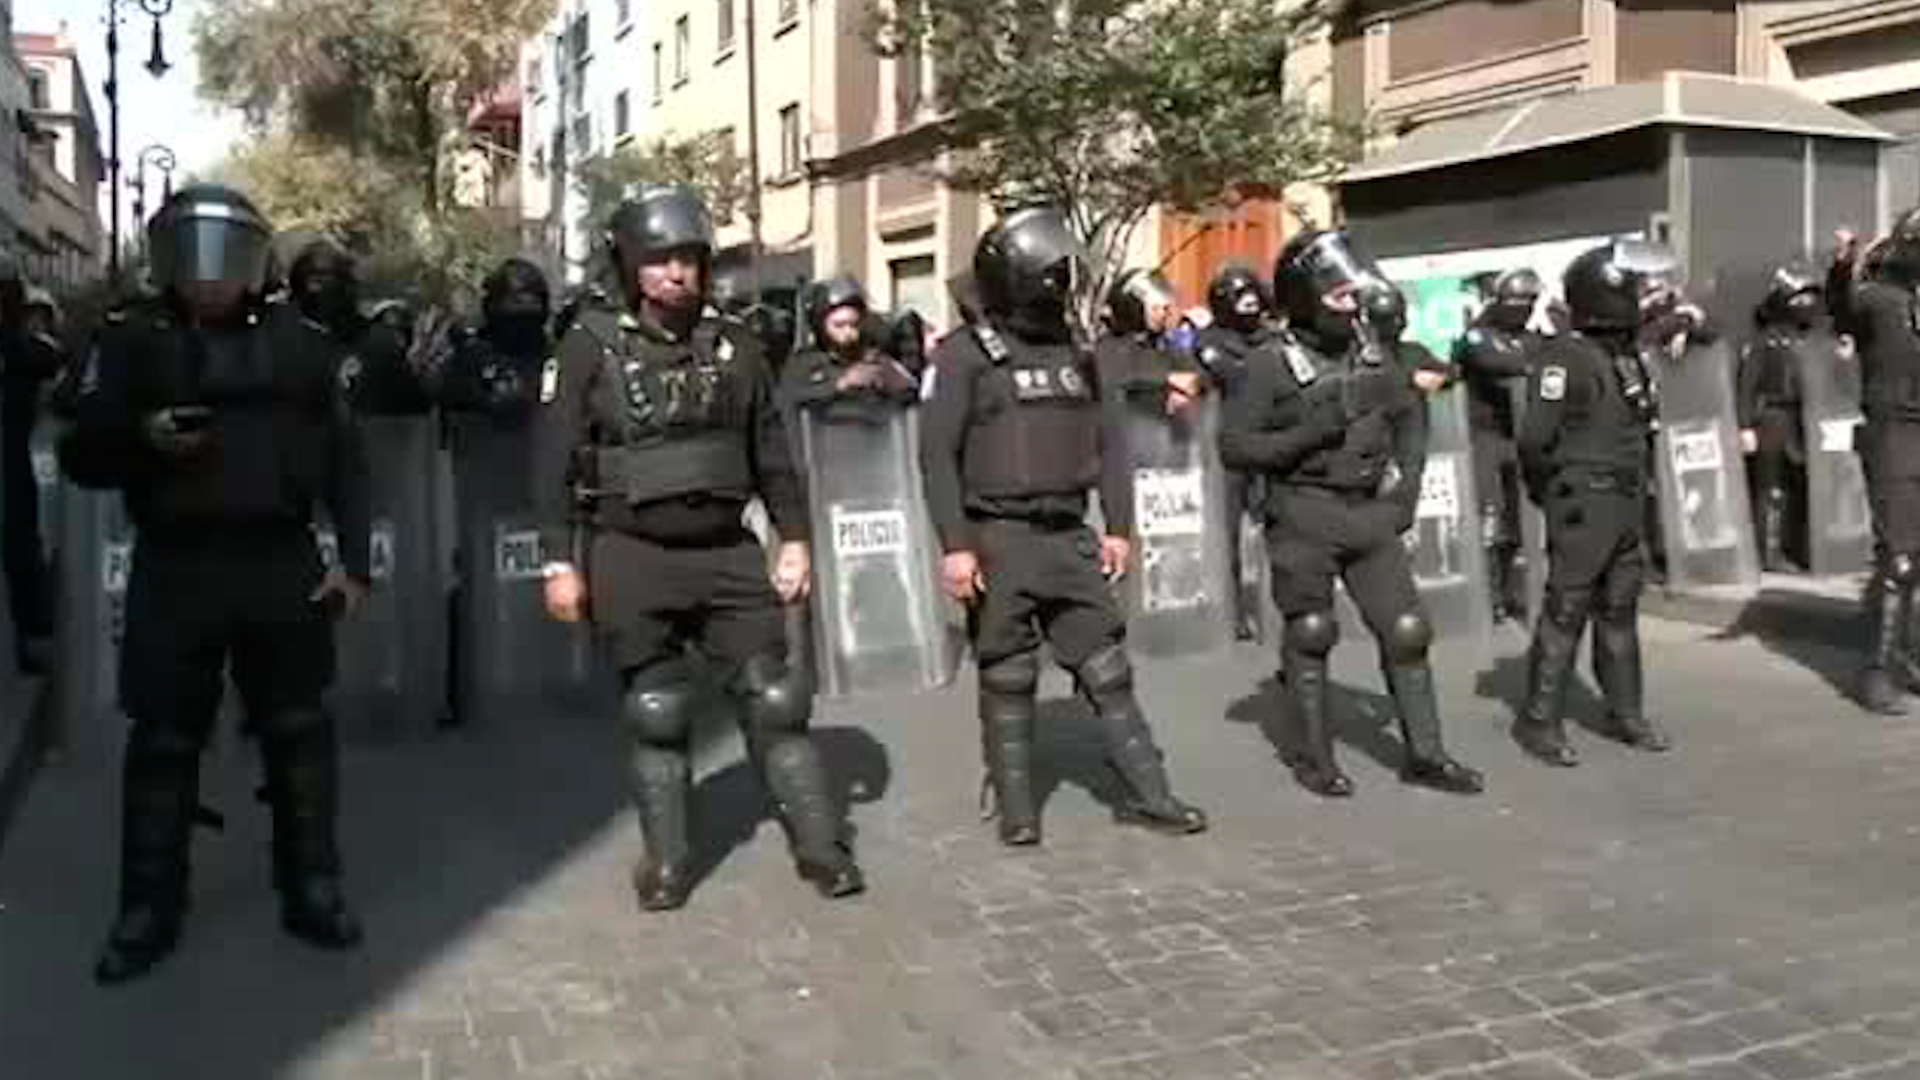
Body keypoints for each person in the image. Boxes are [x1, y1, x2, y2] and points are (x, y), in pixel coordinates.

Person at [58, 184, 371, 984]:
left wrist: (355, 559)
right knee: (162, 741)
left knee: (299, 731)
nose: (208, 275)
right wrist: (140, 437)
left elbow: (345, 459)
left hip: (279, 561)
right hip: (178, 564)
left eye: (224, 256)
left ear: (254, 261)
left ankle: (313, 888)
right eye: (191, 255)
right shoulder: (130, 343)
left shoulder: (300, 342)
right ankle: (148, 909)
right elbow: (80, 455)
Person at [532, 186, 863, 912]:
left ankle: (820, 845)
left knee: (776, 698)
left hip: (727, 552)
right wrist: (558, 562)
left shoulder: (738, 345)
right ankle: (670, 860)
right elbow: (551, 462)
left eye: (688, 259)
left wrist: (796, 537)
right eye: (659, 261)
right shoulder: (588, 346)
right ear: (629, 266)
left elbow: (771, 450)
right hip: (630, 551)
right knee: (657, 710)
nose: (678, 273)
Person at [920, 207, 1208, 847]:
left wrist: (1120, 529)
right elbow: (936, 454)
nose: (1060, 285)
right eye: (1050, 274)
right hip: (998, 537)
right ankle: (1019, 809)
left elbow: (1110, 443)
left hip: (1069, 535)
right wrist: (955, 547)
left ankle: (1151, 796)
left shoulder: (1080, 353)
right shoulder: (964, 355)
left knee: (1106, 668)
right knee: (1009, 672)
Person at [1221, 229, 1483, 799]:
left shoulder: (1373, 351)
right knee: (1312, 631)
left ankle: (1426, 754)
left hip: (1368, 510)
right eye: (1338, 296)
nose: (1352, 305)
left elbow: (1410, 416)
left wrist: (1407, 489)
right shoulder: (1267, 365)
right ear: (1305, 296)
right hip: (1302, 511)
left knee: (1408, 630)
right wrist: (1307, 434)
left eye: (1353, 295)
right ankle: (1314, 758)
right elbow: (1236, 448)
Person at [1513, 239, 1685, 766]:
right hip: (1585, 499)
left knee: (1619, 609)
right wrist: (1555, 492)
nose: (1645, 296)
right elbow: (1534, 440)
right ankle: (1540, 720)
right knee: (1567, 609)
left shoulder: (1624, 352)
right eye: (1635, 288)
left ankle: (1625, 712)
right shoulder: (1564, 356)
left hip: (1627, 497)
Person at [1831, 210, 1920, 714]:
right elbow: (1841, 307)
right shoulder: (1876, 298)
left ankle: (1908, 659)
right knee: (1900, 555)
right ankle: (1877, 671)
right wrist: (1844, 264)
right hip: (1893, 433)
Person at [1454, 269, 1547, 621]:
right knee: (1490, 519)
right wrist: (1530, 368)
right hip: (1485, 438)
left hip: (1522, 437)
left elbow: (1553, 366)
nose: (1520, 311)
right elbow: (1494, 363)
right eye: (1513, 304)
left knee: (1520, 521)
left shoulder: (1534, 340)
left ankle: (1512, 590)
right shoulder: (1479, 337)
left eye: (1527, 304)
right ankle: (1488, 595)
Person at [1194, 265, 1277, 641]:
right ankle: (1232, 613)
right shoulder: (1208, 341)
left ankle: (1274, 607)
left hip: (1269, 445)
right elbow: (1232, 376)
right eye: (1241, 299)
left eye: (1253, 297)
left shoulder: (1271, 339)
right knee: (1225, 535)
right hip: (1225, 451)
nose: (1250, 305)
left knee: (1276, 527)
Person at [1737, 263, 1830, 573]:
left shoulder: (1814, 338)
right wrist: (1745, 424)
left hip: (1804, 419)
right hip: (1772, 417)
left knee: (1802, 485)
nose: (1807, 305)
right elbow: (1747, 383)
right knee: (1772, 487)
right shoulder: (1765, 340)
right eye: (1799, 298)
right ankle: (1770, 552)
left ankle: (1802, 550)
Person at [1, 267, 61, 673]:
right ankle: (33, 633)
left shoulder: (23, 348)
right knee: (21, 547)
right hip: (10, 458)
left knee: (21, 546)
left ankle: (34, 632)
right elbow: (52, 358)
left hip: (12, 456)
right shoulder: (24, 348)